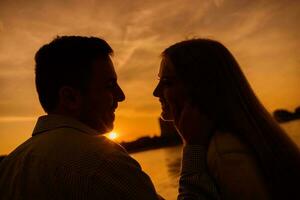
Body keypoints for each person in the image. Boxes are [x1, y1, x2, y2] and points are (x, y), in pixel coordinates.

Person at [0, 36, 161, 200]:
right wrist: (189, 144)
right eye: (109, 86)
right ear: (70, 98)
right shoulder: (103, 160)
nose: (121, 96)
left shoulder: (8, 168)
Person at [153, 38, 300, 200]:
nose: (155, 92)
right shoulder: (227, 144)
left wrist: (192, 148)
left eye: (167, 82)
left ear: (200, 88)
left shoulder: (224, 154)